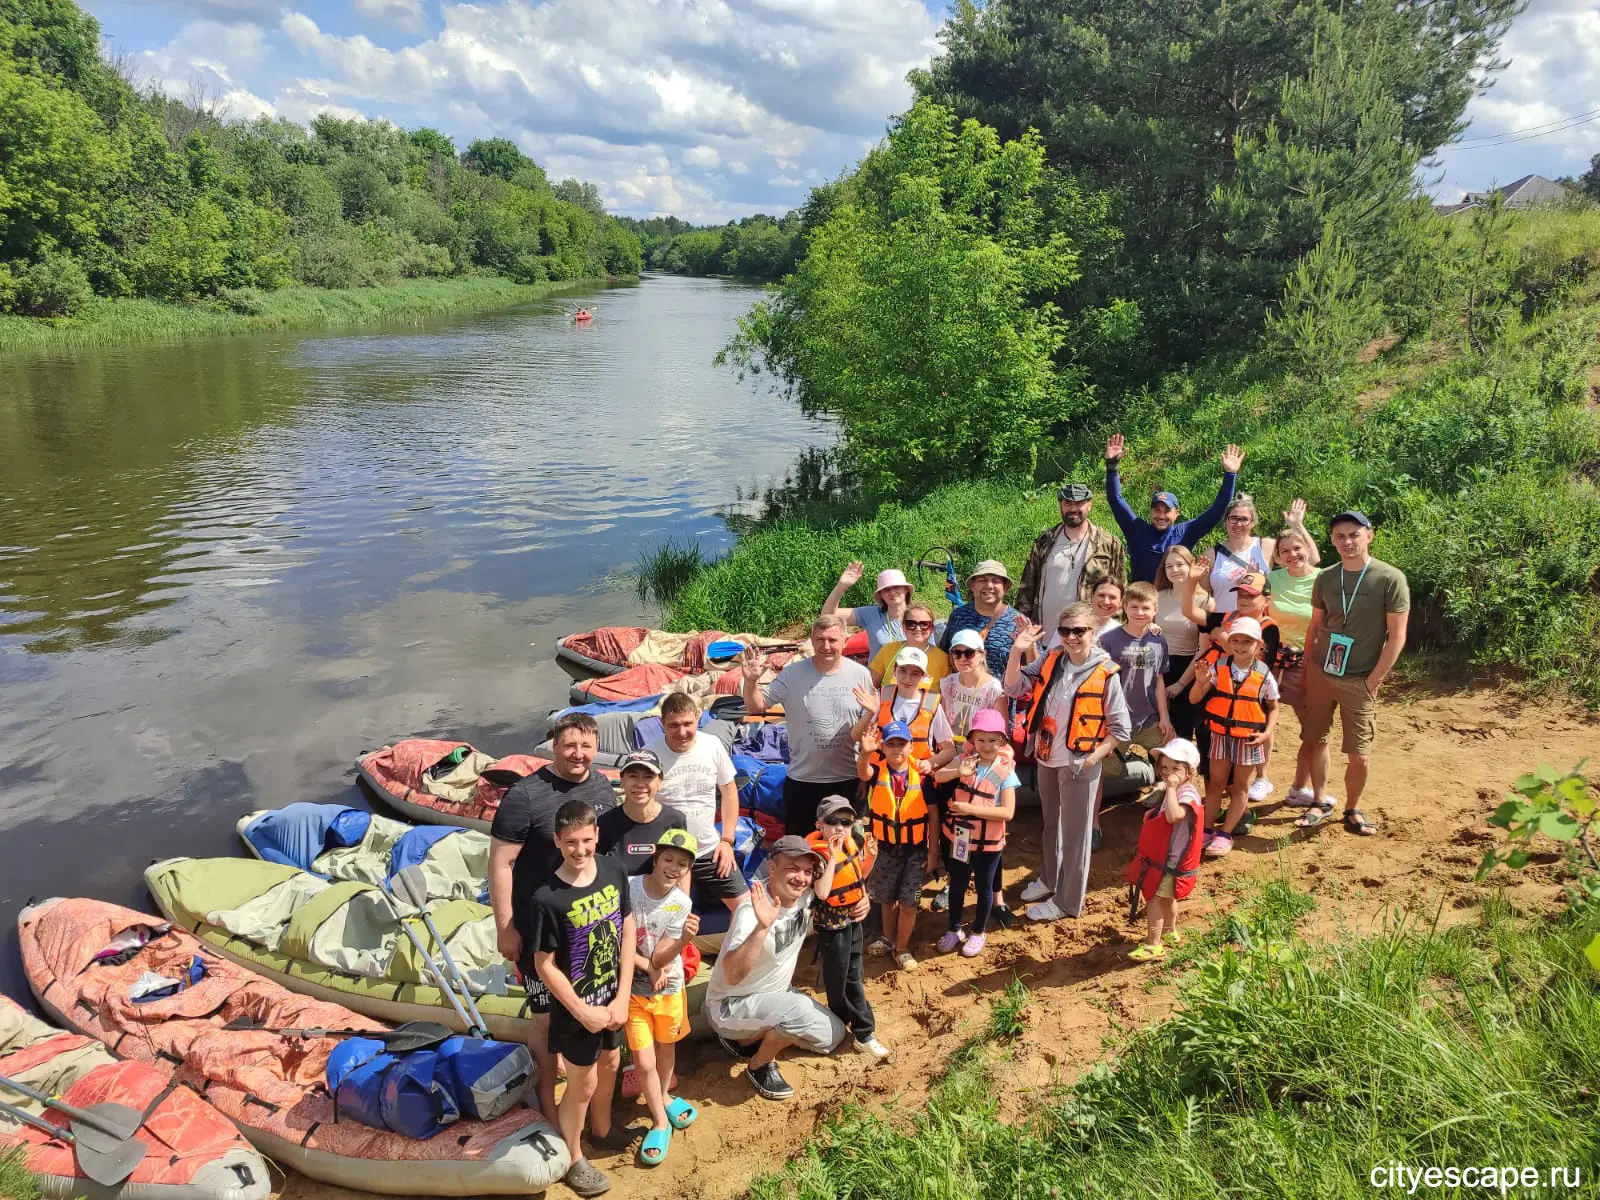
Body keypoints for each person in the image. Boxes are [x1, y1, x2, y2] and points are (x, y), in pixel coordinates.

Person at [487, 712, 616, 1126]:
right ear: (554, 746)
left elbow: (605, 853)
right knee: (543, 1020)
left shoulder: (600, 786)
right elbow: (501, 864)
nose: (578, 754)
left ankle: (586, 1095)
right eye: (569, 746)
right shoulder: (525, 796)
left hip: (587, 924)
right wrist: (505, 926)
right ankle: (546, 1101)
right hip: (538, 927)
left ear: (596, 749)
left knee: (585, 1003)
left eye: (586, 746)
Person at [529, 800, 635, 1198]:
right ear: (557, 841)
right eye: (570, 842)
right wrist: (581, 1010)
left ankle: (602, 1129)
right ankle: (573, 1156)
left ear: (597, 836)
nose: (579, 850)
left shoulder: (613, 870)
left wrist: (623, 995)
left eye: (586, 841)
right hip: (578, 1012)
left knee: (610, 1063)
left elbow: (626, 926)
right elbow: (544, 965)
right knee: (582, 1083)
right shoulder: (547, 897)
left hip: (613, 999)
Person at [1006, 602, 1132, 922]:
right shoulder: (1052, 659)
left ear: (1093, 633)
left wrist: (1092, 759)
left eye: (1079, 631)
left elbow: (1120, 730)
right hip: (1047, 758)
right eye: (1066, 631)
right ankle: (1049, 880)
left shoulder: (1106, 673)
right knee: (1051, 825)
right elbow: (1013, 686)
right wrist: (1016, 651)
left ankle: (1066, 902)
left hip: (1079, 763)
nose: (1072, 637)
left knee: (1076, 836)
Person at [1296, 511, 1409, 838]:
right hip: (1321, 670)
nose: (1347, 542)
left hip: (1360, 677)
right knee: (1315, 738)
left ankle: (1352, 808)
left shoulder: (1390, 578)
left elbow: (1397, 635)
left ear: (1368, 536)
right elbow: (1316, 625)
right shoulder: (1327, 578)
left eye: (1354, 535)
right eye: (1340, 536)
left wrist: (1375, 679)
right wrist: (1307, 666)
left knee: (1359, 754)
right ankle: (1318, 800)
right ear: (1332, 540)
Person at [706, 836, 844, 1101]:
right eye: (792, 868)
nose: (801, 878)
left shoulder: (803, 897)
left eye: (807, 871)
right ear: (772, 868)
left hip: (773, 997)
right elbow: (733, 974)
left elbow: (823, 891)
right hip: (729, 1006)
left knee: (832, 1037)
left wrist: (835, 858)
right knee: (799, 1011)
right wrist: (762, 927)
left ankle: (751, 1038)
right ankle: (759, 1064)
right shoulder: (752, 912)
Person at [740, 614, 872, 836]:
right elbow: (756, 707)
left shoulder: (860, 674)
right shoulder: (793, 674)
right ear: (811, 640)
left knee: (847, 849)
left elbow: (867, 728)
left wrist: (864, 777)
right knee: (801, 849)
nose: (826, 646)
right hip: (804, 780)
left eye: (833, 640)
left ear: (845, 641)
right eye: (820, 640)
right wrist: (751, 681)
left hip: (848, 778)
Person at [625, 829, 701, 1168]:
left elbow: (661, 958)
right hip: (633, 991)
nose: (673, 867)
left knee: (666, 1048)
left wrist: (684, 939)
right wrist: (646, 965)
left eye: (682, 864)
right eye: (668, 859)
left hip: (668, 990)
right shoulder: (628, 888)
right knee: (643, 1061)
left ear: (687, 870)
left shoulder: (682, 904)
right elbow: (618, 943)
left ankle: (664, 1095)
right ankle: (658, 1120)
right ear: (655, 858)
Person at [1188, 617, 1279, 859]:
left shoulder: (1264, 674)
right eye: (1235, 640)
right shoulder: (1219, 667)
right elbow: (1195, 699)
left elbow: (1273, 707)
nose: (1239, 645)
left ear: (1258, 644)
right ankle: (1206, 829)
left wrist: (1267, 733)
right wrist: (1200, 682)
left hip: (1248, 738)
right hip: (1220, 734)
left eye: (1246, 641)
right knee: (1216, 783)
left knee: (1239, 786)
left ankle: (1225, 833)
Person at [645, 692, 745, 910]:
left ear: (698, 717)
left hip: (710, 849)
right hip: (669, 854)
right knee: (675, 916)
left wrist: (727, 840)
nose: (682, 732)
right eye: (674, 725)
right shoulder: (650, 755)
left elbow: (728, 791)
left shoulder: (712, 745)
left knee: (747, 910)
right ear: (662, 723)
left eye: (688, 724)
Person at [931, 708, 1018, 956]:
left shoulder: (1006, 772)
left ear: (1001, 741)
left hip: (988, 845)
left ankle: (978, 931)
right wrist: (959, 771)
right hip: (961, 839)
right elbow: (939, 775)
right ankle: (954, 928)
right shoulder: (966, 760)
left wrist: (968, 808)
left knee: (984, 888)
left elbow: (1008, 813)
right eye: (980, 740)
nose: (987, 745)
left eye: (992, 740)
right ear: (972, 741)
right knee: (957, 885)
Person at [805, 797, 887, 1059]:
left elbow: (857, 875)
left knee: (852, 975)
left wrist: (871, 858)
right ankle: (849, 1026)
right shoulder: (818, 855)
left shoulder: (851, 844)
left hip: (852, 921)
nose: (840, 828)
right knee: (839, 979)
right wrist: (830, 857)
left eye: (846, 822)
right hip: (832, 927)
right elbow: (823, 890)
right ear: (820, 825)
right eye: (833, 821)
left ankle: (862, 1032)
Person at [1181, 566, 1281, 779]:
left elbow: (1253, 663)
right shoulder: (1226, 616)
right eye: (1241, 594)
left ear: (1266, 600)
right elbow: (1190, 612)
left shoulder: (1268, 628)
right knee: (1208, 745)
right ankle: (1214, 794)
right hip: (1212, 690)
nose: (1243, 599)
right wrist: (1191, 583)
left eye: (1251, 596)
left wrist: (1222, 637)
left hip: (1244, 702)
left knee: (1240, 759)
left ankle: (1244, 796)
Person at [1103, 435, 1244, 583]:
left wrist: (1230, 474)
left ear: (1177, 513)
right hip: (1142, 602)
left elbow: (1219, 509)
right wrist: (1112, 466)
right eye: (1157, 510)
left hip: (1176, 601)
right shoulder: (1136, 529)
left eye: (1167, 511)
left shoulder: (1186, 532)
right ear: (1151, 512)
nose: (1161, 515)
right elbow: (1115, 500)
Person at [1096, 581, 1175, 845]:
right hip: (1118, 720)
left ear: (1155, 610)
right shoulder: (1109, 640)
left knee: (1173, 757)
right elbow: (1101, 682)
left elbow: (1160, 682)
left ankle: (1164, 802)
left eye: (1145, 608)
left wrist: (1164, 718)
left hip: (1149, 717)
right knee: (1102, 769)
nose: (1140, 613)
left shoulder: (1158, 639)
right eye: (1134, 607)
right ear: (1124, 608)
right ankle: (1093, 822)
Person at [856, 721, 936, 971]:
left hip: (915, 850)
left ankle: (902, 948)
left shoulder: (923, 779)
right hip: (886, 848)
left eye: (902, 744)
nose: (896, 749)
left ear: (912, 747)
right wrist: (866, 752)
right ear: (883, 747)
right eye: (890, 744)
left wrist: (934, 852)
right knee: (887, 898)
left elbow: (933, 816)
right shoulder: (877, 772)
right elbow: (862, 773)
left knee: (910, 902)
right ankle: (888, 939)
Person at [1262, 508, 1324, 813]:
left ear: (1307, 550)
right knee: (1260, 720)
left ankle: (1301, 787)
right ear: (1277, 556)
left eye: (1297, 548)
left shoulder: (1322, 579)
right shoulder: (1271, 579)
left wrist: (1298, 525)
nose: (1292, 555)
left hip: (1306, 661)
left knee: (1311, 728)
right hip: (1272, 659)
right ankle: (1256, 780)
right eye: (1284, 551)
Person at [1123, 738, 1205, 962]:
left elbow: (1174, 815)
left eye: (1176, 769)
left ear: (1189, 772)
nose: (1168, 773)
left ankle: (1153, 945)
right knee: (1167, 898)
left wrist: (1169, 789)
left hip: (1172, 861)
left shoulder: (1186, 793)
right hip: (1167, 858)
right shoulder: (1178, 789)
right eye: (1165, 767)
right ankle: (1170, 931)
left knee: (1155, 900)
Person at [1017, 481, 1128, 633]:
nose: (1073, 509)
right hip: (1043, 634)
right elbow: (1027, 588)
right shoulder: (1045, 541)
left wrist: (1115, 633)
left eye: (1079, 503)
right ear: (1060, 505)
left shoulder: (1109, 543)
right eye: (1068, 503)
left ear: (1089, 505)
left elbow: (1119, 592)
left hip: (1088, 637)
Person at [1200, 494, 1322, 615]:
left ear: (1253, 523)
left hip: (1261, 626)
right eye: (1234, 518)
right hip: (1224, 626)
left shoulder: (1266, 546)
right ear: (1226, 521)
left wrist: (1297, 525)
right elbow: (1202, 594)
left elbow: (1312, 559)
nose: (1238, 524)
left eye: (1244, 519)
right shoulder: (1211, 554)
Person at [851, 646, 957, 772]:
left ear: (924, 676)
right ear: (894, 670)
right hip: (881, 776)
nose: (908, 679)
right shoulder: (881, 696)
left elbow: (949, 750)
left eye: (915, 674)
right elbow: (856, 736)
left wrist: (929, 763)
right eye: (903, 671)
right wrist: (871, 713)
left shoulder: (930, 703)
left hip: (916, 780)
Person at [598, 750, 687, 875]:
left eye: (648, 777)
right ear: (622, 781)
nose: (640, 784)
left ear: (660, 782)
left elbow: (683, 869)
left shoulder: (675, 821)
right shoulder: (605, 823)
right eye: (633, 776)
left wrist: (683, 895)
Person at [939, 560, 1031, 679]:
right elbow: (945, 654)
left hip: (1001, 695)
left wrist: (1031, 646)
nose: (989, 586)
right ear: (972, 585)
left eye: (996, 581)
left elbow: (1035, 668)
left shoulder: (1018, 622)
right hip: (961, 694)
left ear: (1005, 587)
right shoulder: (958, 616)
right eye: (982, 580)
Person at [1155, 546, 1207, 741]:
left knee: (1181, 732)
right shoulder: (1157, 597)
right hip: (1158, 667)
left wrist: (1180, 683)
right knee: (1158, 731)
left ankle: (1179, 771)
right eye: (1169, 566)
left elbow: (1204, 648)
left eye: (1180, 564)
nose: (1174, 570)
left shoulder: (1205, 602)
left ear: (1191, 566)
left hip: (1188, 669)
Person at [822, 563, 912, 660]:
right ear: (881, 595)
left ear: (906, 589)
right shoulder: (872, 614)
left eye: (896, 587)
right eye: (886, 589)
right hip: (877, 675)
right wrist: (841, 586)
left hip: (912, 674)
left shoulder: (920, 617)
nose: (892, 592)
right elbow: (827, 616)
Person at [869, 602, 951, 686]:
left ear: (932, 628)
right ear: (903, 627)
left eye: (924, 624)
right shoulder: (888, 649)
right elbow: (871, 686)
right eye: (911, 624)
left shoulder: (943, 659)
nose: (918, 628)